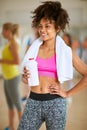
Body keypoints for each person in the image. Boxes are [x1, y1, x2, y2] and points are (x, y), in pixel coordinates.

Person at [18, 1, 87, 130]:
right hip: (32, 101)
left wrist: (67, 93)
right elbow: (24, 77)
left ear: (58, 27)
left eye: (47, 26)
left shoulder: (66, 52)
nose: (42, 30)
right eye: (40, 26)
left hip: (55, 103)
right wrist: (25, 78)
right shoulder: (33, 50)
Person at [0, 23, 22, 130]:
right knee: (10, 104)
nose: (1, 33)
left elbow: (17, 61)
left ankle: (23, 127)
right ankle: (11, 126)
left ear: (8, 31)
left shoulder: (13, 43)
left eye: (3, 30)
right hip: (7, 77)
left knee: (18, 104)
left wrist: (2, 60)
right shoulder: (9, 42)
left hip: (13, 77)